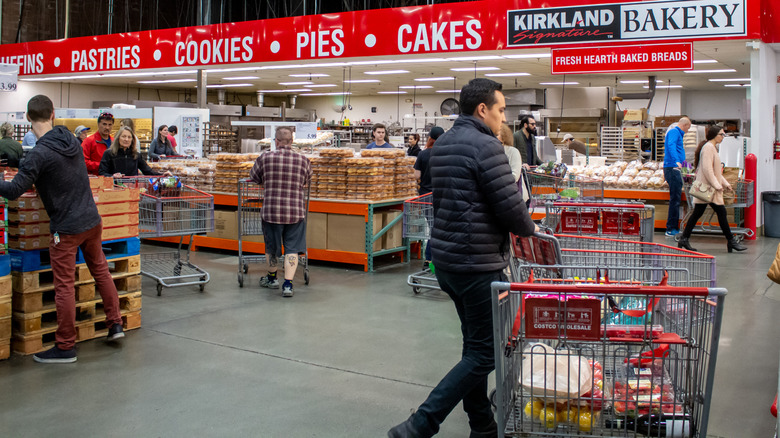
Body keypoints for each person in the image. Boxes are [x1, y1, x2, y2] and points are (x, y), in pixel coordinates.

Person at [388, 78, 537, 438]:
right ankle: (419, 425)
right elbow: (512, 210)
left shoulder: (444, 144)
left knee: (474, 347)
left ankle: (481, 425)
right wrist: (531, 227)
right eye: (501, 110)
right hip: (478, 264)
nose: (504, 118)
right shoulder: (487, 147)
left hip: (448, 262)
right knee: (485, 355)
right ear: (482, 109)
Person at [0, 95, 125, 363]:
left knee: (64, 286)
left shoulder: (39, 154)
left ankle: (65, 346)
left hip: (65, 229)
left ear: (27, 117)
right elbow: (63, 174)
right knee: (101, 270)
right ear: (54, 114)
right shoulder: (71, 139)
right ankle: (115, 324)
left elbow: (12, 191)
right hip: (92, 220)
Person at [250, 126, 312, 298]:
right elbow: (307, 180)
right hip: (295, 212)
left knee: (272, 247)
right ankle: (288, 284)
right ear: (292, 141)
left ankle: (271, 278)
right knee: (292, 248)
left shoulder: (265, 158)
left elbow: (254, 177)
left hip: (272, 211)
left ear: (276, 141)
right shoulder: (303, 160)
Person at [678, 125, 747, 253]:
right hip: (708, 189)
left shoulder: (712, 148)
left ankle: (684, 238)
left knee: (699, 214)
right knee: (720, 213)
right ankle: (731, 241)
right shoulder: (709, 148)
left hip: (708, 189)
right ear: (715, 135)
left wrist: (725, 183)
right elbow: (707, 169)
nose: (723, 137)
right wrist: (717, 185)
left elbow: (716, 172)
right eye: (722, 134)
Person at [413, 126, 445, 265]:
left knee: (432, 227)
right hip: (442, 194)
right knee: (439, 227)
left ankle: (429, 258)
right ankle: (433, 258)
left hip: (425, 195)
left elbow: (417, 175)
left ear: (430, 138)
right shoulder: (446, 154)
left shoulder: (423, 154)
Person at [663, 116, 692, 237]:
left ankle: (673, 226)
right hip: (673, 168)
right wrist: (677, 161)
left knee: (676, 198)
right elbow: (671, 146)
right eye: (688, 128)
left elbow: (678, 150)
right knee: (675, 198)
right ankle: (671, 228)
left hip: (676, 167)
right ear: (684, 125)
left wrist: (686, 168)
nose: (688, 131)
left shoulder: (678, 134)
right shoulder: (674, 132)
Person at [99, 126, 167, 177]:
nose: (126, 139)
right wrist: (112, 176)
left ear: (132, 140)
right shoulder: (108, 153)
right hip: (115, 189)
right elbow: (102, 173)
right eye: (124, 136)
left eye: (129, 137)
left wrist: (163, 175)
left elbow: (147, 171)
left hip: (132, 189)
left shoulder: (136, 155)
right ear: (118, 138)